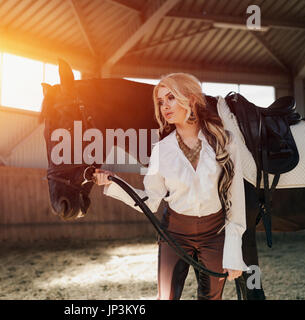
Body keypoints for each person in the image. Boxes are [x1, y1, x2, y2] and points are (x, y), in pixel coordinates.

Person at [93, 73, 249, 300]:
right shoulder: (161, 150)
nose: (164, 106)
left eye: (170, 98)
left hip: (215, 235)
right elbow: (151, 201)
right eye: (161, 102)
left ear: (191, 99)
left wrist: (234, 253)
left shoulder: (225, 141)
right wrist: (115, 183)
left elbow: (236, 199)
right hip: (175, 234)